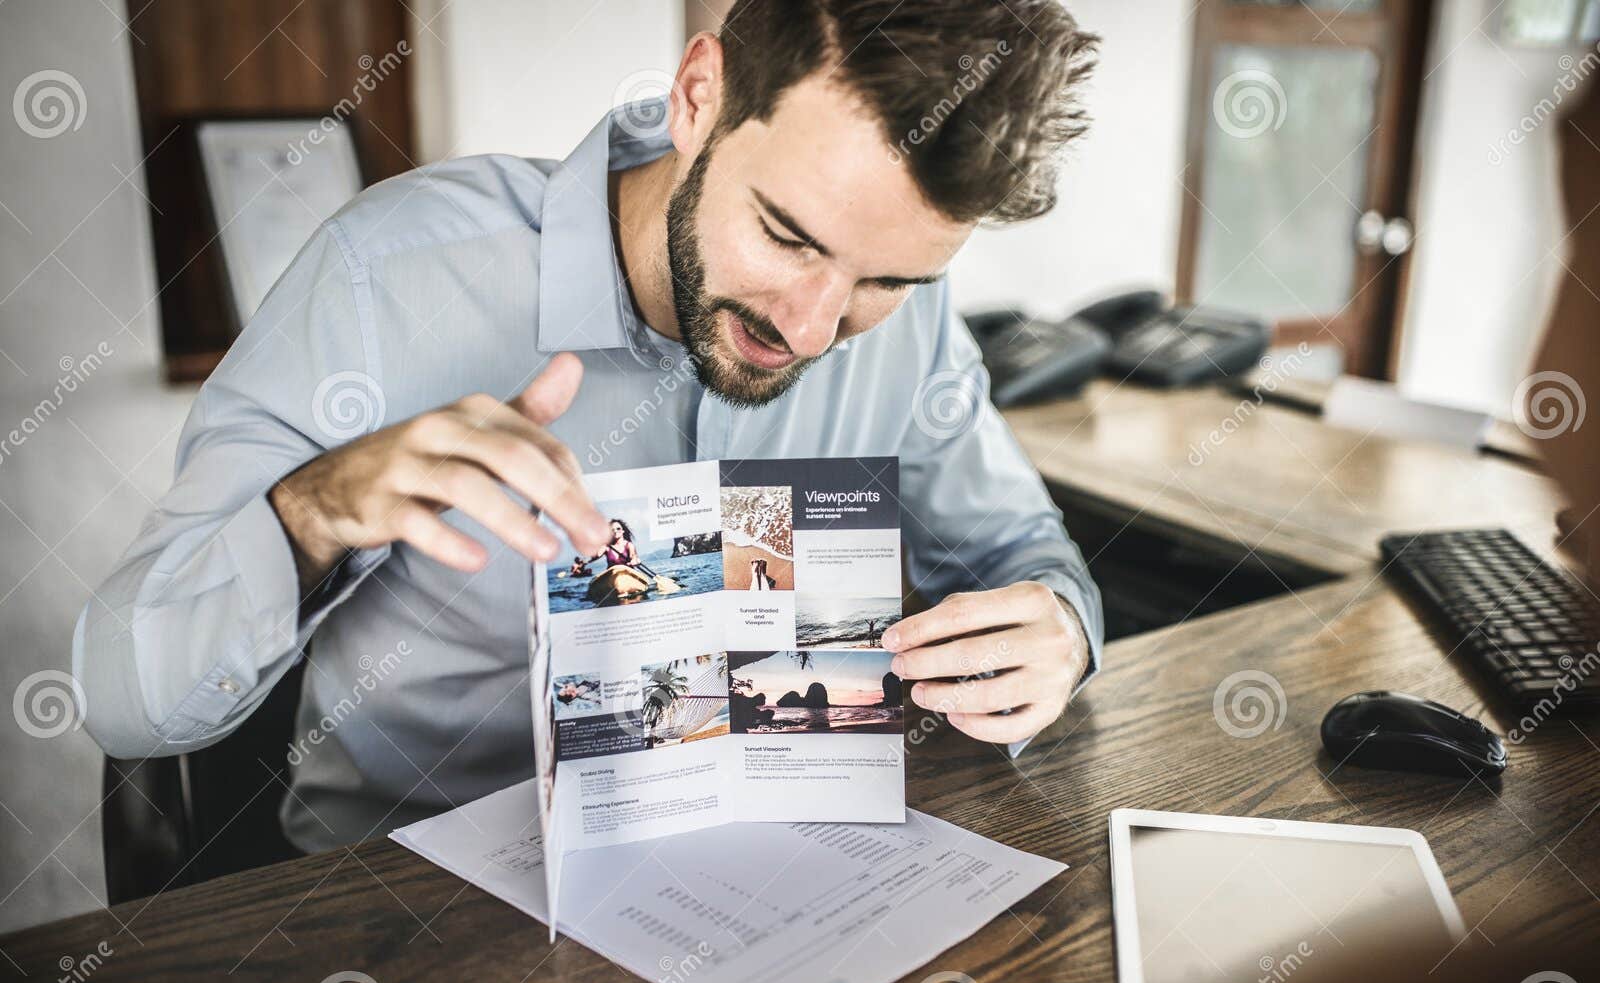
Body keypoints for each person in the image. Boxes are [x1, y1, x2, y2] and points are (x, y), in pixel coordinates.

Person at [74, 0, 1105, 850]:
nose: (811, 326)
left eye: (886, 278)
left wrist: (1056, 629)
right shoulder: (383, 278)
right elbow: (125, 699)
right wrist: (314, 511)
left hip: (780, 867)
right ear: (698, 96)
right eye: (787, 236)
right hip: (418, 909)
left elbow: (1020, 550)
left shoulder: (910, 327)